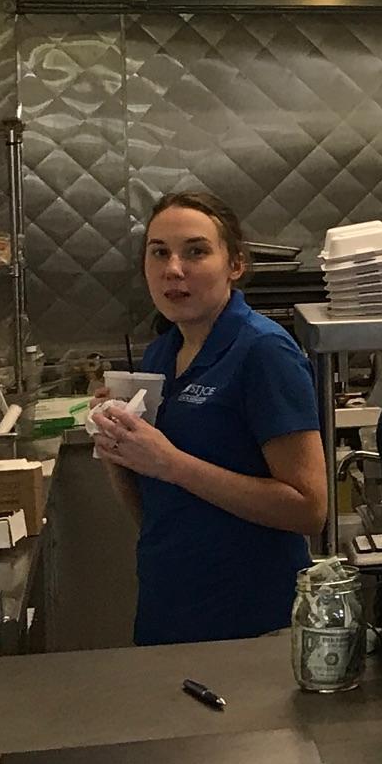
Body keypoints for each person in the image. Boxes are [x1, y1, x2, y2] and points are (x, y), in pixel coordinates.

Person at [91, 189, 329, 644]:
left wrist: (170, 462)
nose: (173, 269)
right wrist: (116, 446)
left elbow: (309, 509)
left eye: (196, 252)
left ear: (235, 265)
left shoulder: (263, 351)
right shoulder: (163, 353)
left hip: (251, 625)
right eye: (159, 253)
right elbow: (157, 511)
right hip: (168, 613)